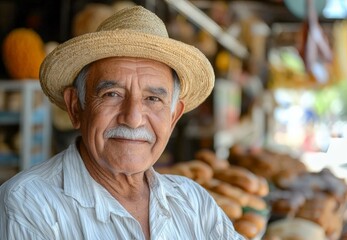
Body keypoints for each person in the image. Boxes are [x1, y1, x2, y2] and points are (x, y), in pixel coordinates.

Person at [0, 6, 245, 240]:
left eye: (153, 99)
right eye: (112, 94)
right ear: (76, 107)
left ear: (173, 117)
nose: (133, 118)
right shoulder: (27, 205)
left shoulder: (194, 202)